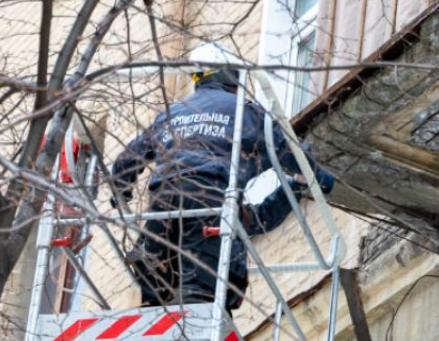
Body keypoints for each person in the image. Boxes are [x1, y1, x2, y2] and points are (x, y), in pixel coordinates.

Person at [110, 46, 334, 311]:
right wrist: (316, 177)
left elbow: (126, 161)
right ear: (232, 77)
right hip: (209, 198)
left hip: (163, 204)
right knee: (199, 291)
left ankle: (155, 313)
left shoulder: (172, 114)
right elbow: (292, 153)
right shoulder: (247, 113)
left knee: (157, 284)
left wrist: (121, 191)